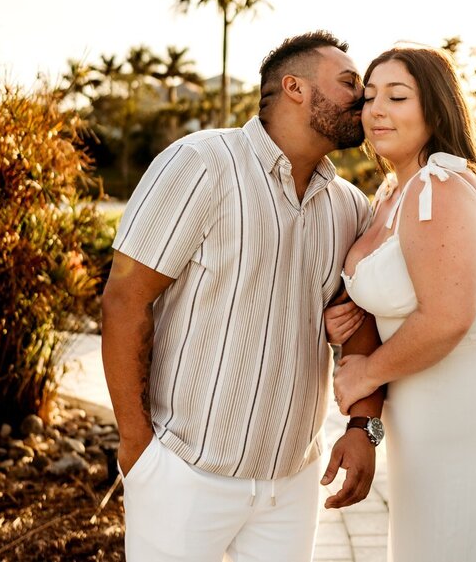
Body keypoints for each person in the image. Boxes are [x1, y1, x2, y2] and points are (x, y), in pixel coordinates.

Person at [102, 30, 386, 562]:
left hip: (293, 483)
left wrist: (362, 427)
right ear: (295, 87)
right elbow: (125, 299)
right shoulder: (199, 163)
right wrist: (138, 448)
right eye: (350, 82)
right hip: (184, 473)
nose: (364, 97)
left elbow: (359, 323)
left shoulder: (350, 205)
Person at [326, 45, 476, 562]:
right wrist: (345, 315)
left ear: (435, 109)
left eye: (397, 96)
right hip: (427, 430)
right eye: (369, 97)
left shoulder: (438, 187)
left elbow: (446, 318)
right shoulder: (395, 190)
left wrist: (366, 374)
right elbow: (388, 300)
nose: (377, 110)